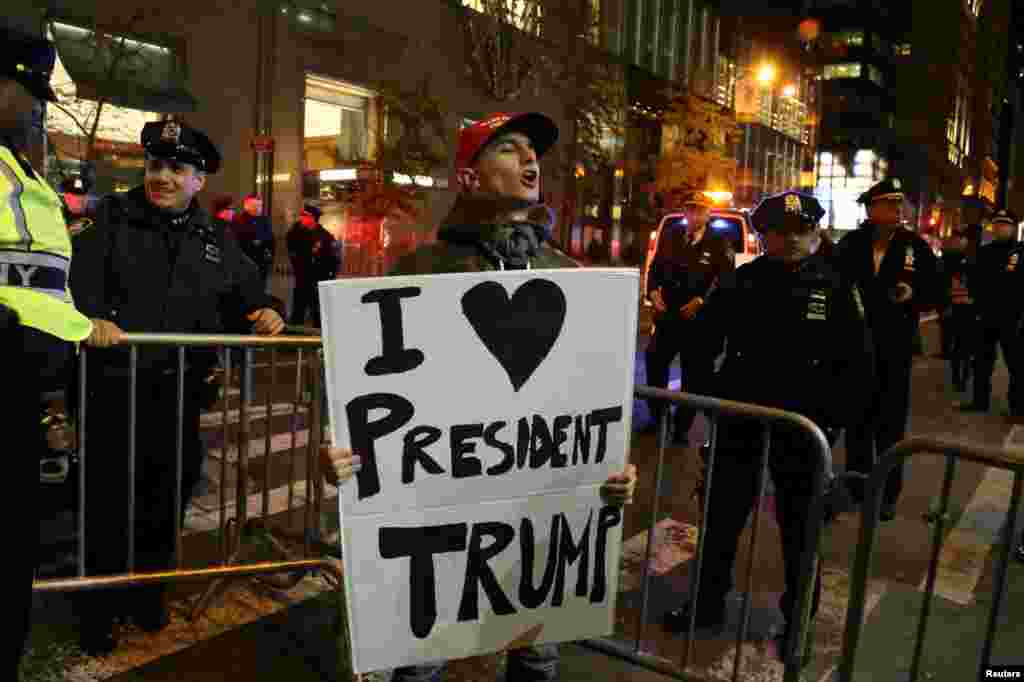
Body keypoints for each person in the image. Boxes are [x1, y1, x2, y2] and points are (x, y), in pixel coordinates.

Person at [320, 112, 638, 682]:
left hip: (540, 519)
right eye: (510, 149)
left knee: (537, 656)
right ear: (468, 178)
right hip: (442, 529)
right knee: (422, 663)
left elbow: (583, 401)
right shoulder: (421, 272)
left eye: (533, 152)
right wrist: (341, 449)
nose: (530, 162)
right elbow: (374, 395)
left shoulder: (570, 276)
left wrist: (610, 466)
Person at [68, 119, 286, 655]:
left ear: (198, 181)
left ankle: (147, 600)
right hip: (112, 391)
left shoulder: (214, 237)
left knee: (164, 504)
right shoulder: (111, 218)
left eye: (177, 168)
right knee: (106, 507)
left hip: (177, 395)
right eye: (156, 165)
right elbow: (75, 283)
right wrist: (90, 320)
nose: (162, 176)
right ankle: (97, 614)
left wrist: (269, 311)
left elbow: (247, 293)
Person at [660, 192, 874, 664]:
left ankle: (796, 623)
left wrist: (833, 422)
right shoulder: (743, 280)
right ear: (765, 235)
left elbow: (857, 364)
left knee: (800, 531)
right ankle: (706, 604)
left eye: (802, 230)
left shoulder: (836, 286)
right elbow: (702, 338)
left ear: (816, 233)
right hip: (742, 421)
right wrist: (714, 397)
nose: (793, 239)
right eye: (781, 231)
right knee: (720, 519)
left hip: (802, 430)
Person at [0, 27, 94, 679]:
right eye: (26, 89)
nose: (36, 106)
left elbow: (49, 284)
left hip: (29, 391)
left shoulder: (27, 172)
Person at [834, 178, 940, 521]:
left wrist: (914, 296)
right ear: (872, 209)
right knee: (857, 423)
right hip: (855, 348)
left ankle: (889, 494)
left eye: (899, 204)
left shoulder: (915, 246)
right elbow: (833, 286)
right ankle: (856, 488)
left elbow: (936, 292)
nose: (898, 210)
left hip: (894, 350)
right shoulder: (851, 244)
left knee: (891, 426)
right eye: (890, 204)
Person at [644, 193, 734, 444]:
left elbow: (726, 280)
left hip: (699, 323)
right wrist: (653, 293)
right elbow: (655, 270)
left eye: (699, 210)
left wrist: (701, 301)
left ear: (707, 214)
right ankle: (659, 418)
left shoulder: (719, 242)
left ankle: (682, 429)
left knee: (692, 376)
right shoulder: (672, 237)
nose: (693, 214)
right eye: (690, 209)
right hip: (669, 317)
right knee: (654, 362)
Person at [961, 210, 1024, 417]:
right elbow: (973, 280)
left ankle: (1017, 407)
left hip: (1012, 316)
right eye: (997, 224)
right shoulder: (984, 251)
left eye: (1005, 224)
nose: (1000, 227)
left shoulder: (1020, 251)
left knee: (1016, 364)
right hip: (985, 315)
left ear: (1013, 228)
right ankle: (980, 402)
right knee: (981, 361)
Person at [940, 226, 979, 393]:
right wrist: (944, 306)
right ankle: (957, 378)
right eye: (959, 238)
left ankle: (963, 377)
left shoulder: (979, 259)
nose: (961, 241)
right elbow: (942, 284)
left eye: (964, 238)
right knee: (957, 346)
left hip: (970, 309)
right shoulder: (949, 258)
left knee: (967, 347)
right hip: (954, 308)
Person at [287, 204, 336, 327]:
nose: (302, 218)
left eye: (306, 215)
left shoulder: (325, 236)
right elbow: (294, 253)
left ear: (313, 218)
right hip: (302, 277)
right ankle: (293, 339)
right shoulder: (294, 233)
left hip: (318, 279)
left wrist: (330, 276)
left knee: (318, 312)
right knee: (298, 311)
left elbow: (332, 259)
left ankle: (317, 339)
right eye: (302, 215)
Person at [231, 192, 276, 284]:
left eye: (260, 205)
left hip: (262, 263)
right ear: (246, 206)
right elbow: (237, 241)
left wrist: (270, 257)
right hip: (245, 264)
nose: (258, 208)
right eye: (255, 205)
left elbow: (271, 239)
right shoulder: (238, 220)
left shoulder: (264, 220)